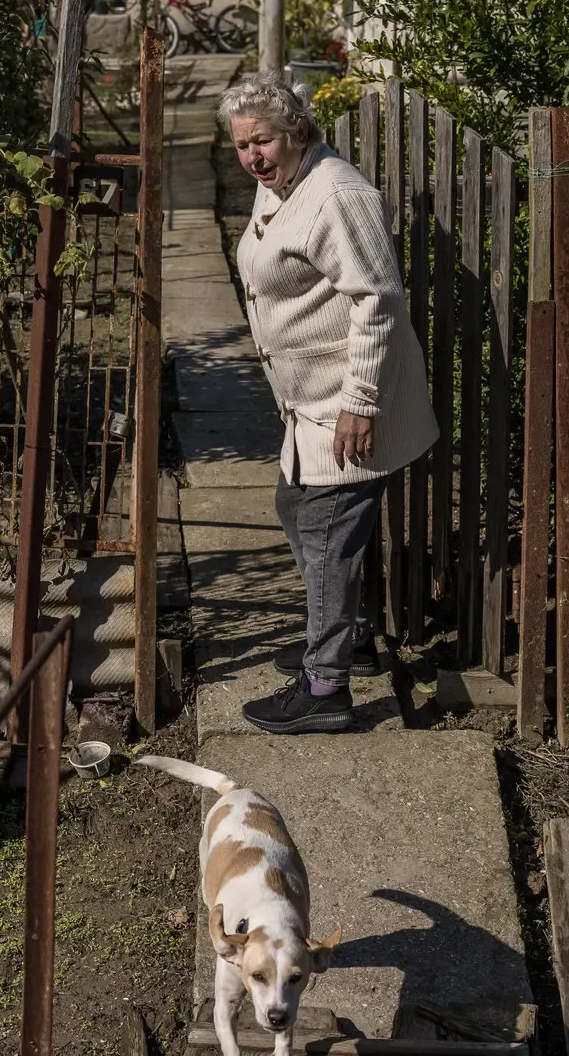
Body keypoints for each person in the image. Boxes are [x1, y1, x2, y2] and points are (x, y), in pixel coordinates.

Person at [224, 74, 438, 734]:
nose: (253, 156)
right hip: (309, 402)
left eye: (262, 140)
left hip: (347, 401)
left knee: (326, 533)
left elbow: (378, 300)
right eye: (241, 145)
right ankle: (351, 638)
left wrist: (361, 402)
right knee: (301, 508)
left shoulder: (339, 196)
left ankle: (326, 689)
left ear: (297, 134)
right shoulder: (281, 183)